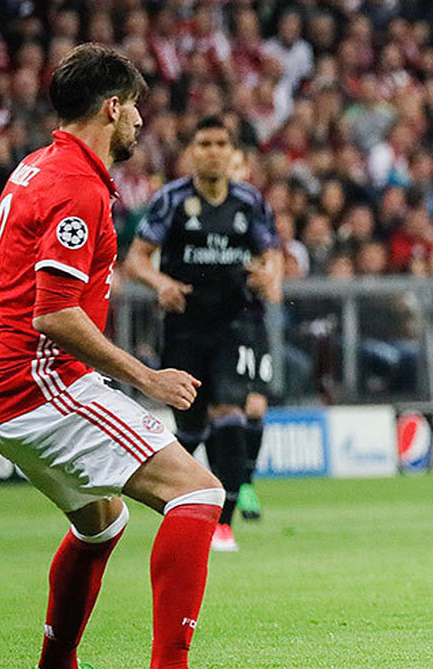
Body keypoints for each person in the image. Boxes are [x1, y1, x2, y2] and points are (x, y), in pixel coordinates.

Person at [0, 44, 253, 669]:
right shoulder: (76, 187)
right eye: (136, 107)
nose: (142, 122)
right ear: (111, 107)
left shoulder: (32, 169)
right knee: (199, 491)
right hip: (40, 383)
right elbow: (55, 313)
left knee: (100, 521)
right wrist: (145, 374)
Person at [128, 116, 280, 550]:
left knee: (229, 407)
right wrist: (162, 284)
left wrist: (268, 277)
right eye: (204, 143)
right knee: (191, 424)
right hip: (186, 324)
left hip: (235, 322)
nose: (212, 150)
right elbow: (136, 260)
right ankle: (179, 499)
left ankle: (223, 521)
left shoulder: (249, 201)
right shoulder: (172, 200)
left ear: (232, 152)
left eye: (220, 143)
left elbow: (271, 254)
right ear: (192, 151)